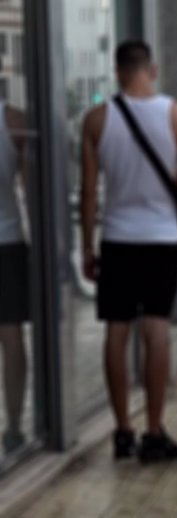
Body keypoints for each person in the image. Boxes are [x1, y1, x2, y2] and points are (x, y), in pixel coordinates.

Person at [80, 41, 177, 463]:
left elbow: (88, 193)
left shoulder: (96, 120)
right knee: (156, 330)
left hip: (116, 238)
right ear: (151, 69)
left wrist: (86, 247)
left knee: (117, 332)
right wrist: (175, 174)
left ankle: (121, 430)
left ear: (117, 72)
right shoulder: (176, 115)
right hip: (162, 240)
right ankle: (153, 432)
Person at [0, 103, 29, 454]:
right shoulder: (13, 120)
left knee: (11, 338)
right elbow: (32, 188)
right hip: (7, 243)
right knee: (10, 337)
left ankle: (16, 427)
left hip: (8, 243)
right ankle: (15, 427)